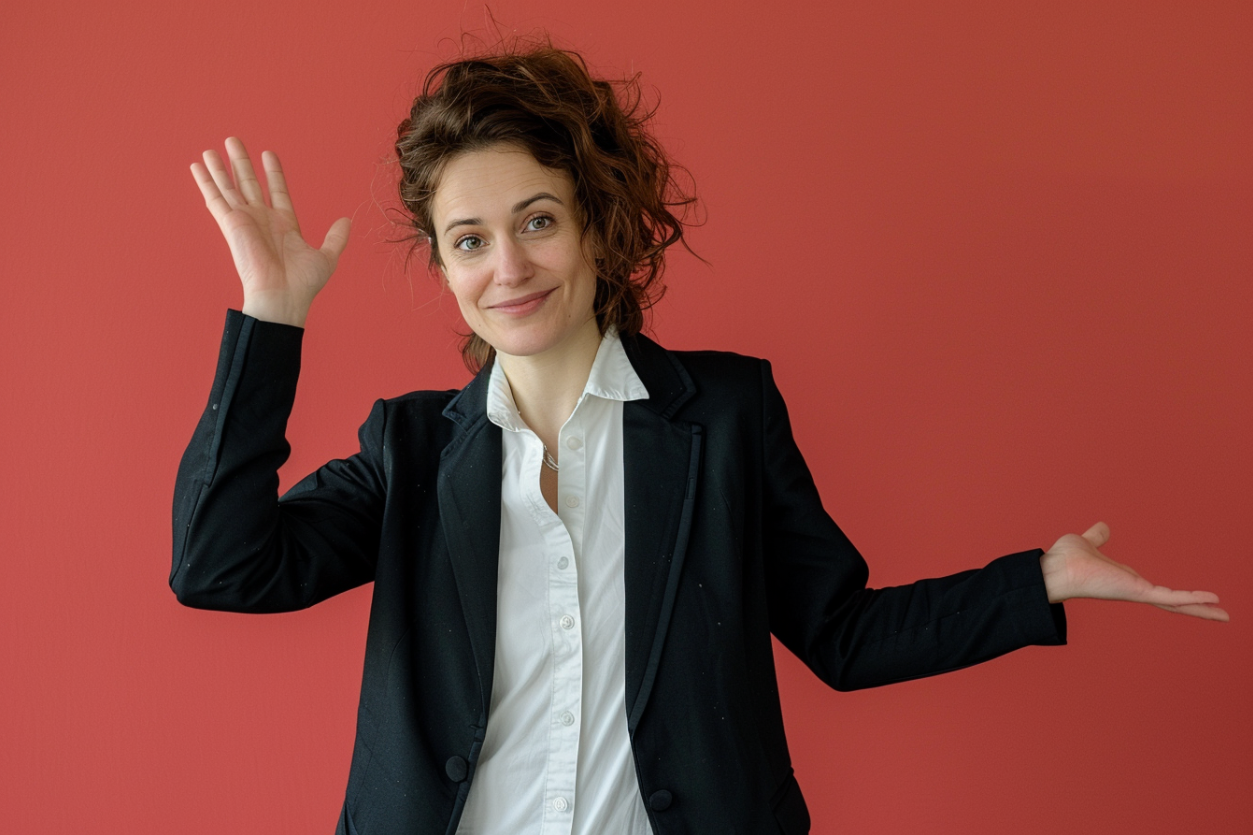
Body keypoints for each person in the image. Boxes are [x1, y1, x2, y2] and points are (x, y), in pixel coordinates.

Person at [174, 41, 1228, 835]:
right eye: (469, 239)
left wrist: (1036, 580)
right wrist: (270, 314)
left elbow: (842, 634)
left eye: (537, 220)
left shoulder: (721, 420)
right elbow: (223, 567)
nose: (509, 265)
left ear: (593, 223)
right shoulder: (409, 450)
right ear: (445, 268)